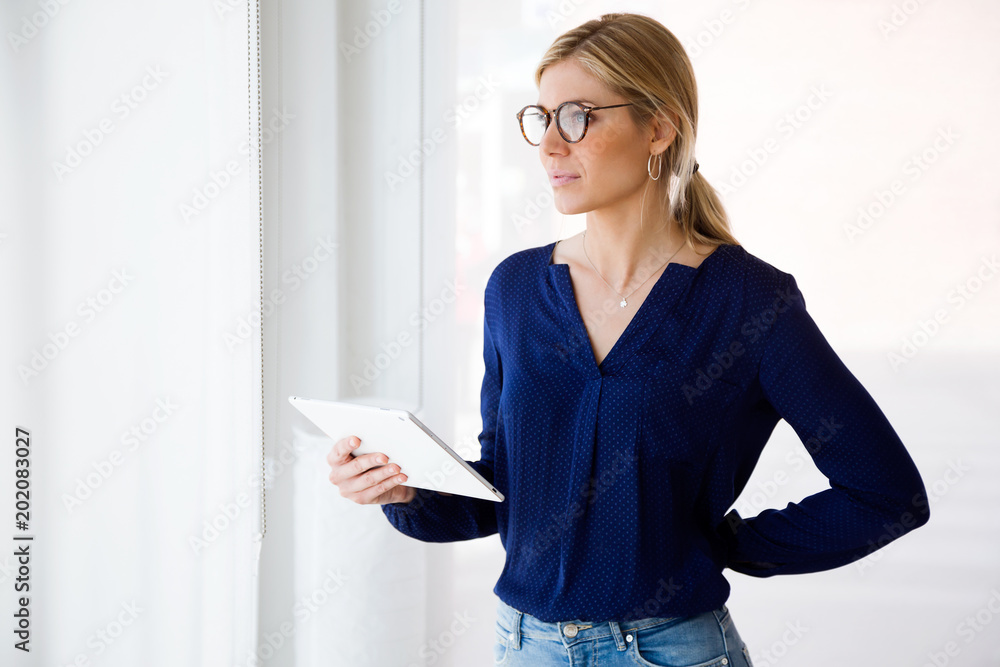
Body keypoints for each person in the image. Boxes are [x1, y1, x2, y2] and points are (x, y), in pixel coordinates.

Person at [325, 12, 931, 667]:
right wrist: (406, 490)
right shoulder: (516, 289)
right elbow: (505, 493)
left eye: (579, 116)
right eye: (542, 117)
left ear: (659, 127)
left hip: (672, 652)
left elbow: (885, 495)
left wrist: (723, 544)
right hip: (524, 648)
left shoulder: (751, 302)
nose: (550, 145)